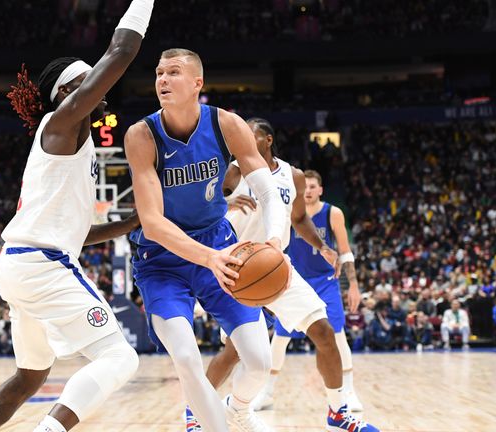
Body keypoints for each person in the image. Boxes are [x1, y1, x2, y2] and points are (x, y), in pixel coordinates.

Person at [126, 49, 378, 432]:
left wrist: (275, 241)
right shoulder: (141, 135)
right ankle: (202, 421)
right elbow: (153, 223)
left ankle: (249, 411)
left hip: (231, 251)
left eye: (173, 72)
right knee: (187, 358)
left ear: (198, 83)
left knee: (259, 361)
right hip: (165, 257)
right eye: (159, 73)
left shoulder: (226, 124)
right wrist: (212, 254)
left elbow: (267, 188)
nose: (162, 79)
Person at [0, 2, 152, 432]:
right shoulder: (61, 123)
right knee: (120, 359)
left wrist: (130, 223)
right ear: (69, 93)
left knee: (30, 375)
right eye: (90, 80)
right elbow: (121, 53)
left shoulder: (72, 142)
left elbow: (75, 232)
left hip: (21, 264)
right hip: (41, 266)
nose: (101, 88)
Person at [199, 122, 367, 416]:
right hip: (239, 269)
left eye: (251, 134)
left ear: (268, 140)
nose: (244, 139)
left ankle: (339, 412)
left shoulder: (293, 175)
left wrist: (323, 246)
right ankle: (196, 410)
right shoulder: (233, 171)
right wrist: (225, 202)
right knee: (235, 352)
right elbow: (199, 207)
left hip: (276, 266)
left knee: (324, 331)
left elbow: (300, 219)